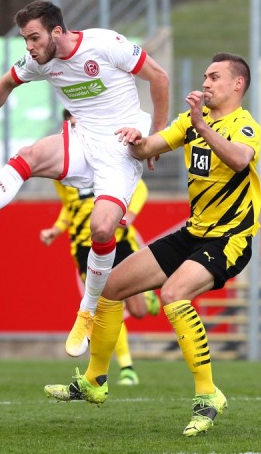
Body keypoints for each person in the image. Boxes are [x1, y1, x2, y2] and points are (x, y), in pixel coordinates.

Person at [0, 0, 169, 358]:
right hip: (83, 139)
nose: (29, 47)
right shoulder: (39, 61)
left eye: (34, 38)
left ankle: (87, 311)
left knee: (101, 230)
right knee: (27, 156)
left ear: (57, 32)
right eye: (25, 40)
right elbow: (3, 85)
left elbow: (159, 77)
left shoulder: (105, 44)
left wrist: (158, 138)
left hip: (121, 149)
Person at [44, 53, 261, 437]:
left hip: (230, 238)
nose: (206, 83)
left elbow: (240, 160)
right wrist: (134, 139)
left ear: (237, 84)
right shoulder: (190, 122)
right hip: (194, 232)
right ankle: (95, 382)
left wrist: (201, 126)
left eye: (214, 77)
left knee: (173, 295)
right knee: (110, 287)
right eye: (205, 76)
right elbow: (146, 149)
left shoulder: (243, 125)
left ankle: (208, 395)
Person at [39, 110, 161, 386]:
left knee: (139, 311)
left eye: (79, 121)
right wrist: (57, 229)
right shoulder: (63, 166)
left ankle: (147, 296)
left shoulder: (108, 151)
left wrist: (130, 215)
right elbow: (69, 207)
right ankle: (126, 367)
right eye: (71, 123)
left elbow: (140, 189)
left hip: (119, 238)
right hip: (84, 245)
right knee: (104, 305)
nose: (76, 127)